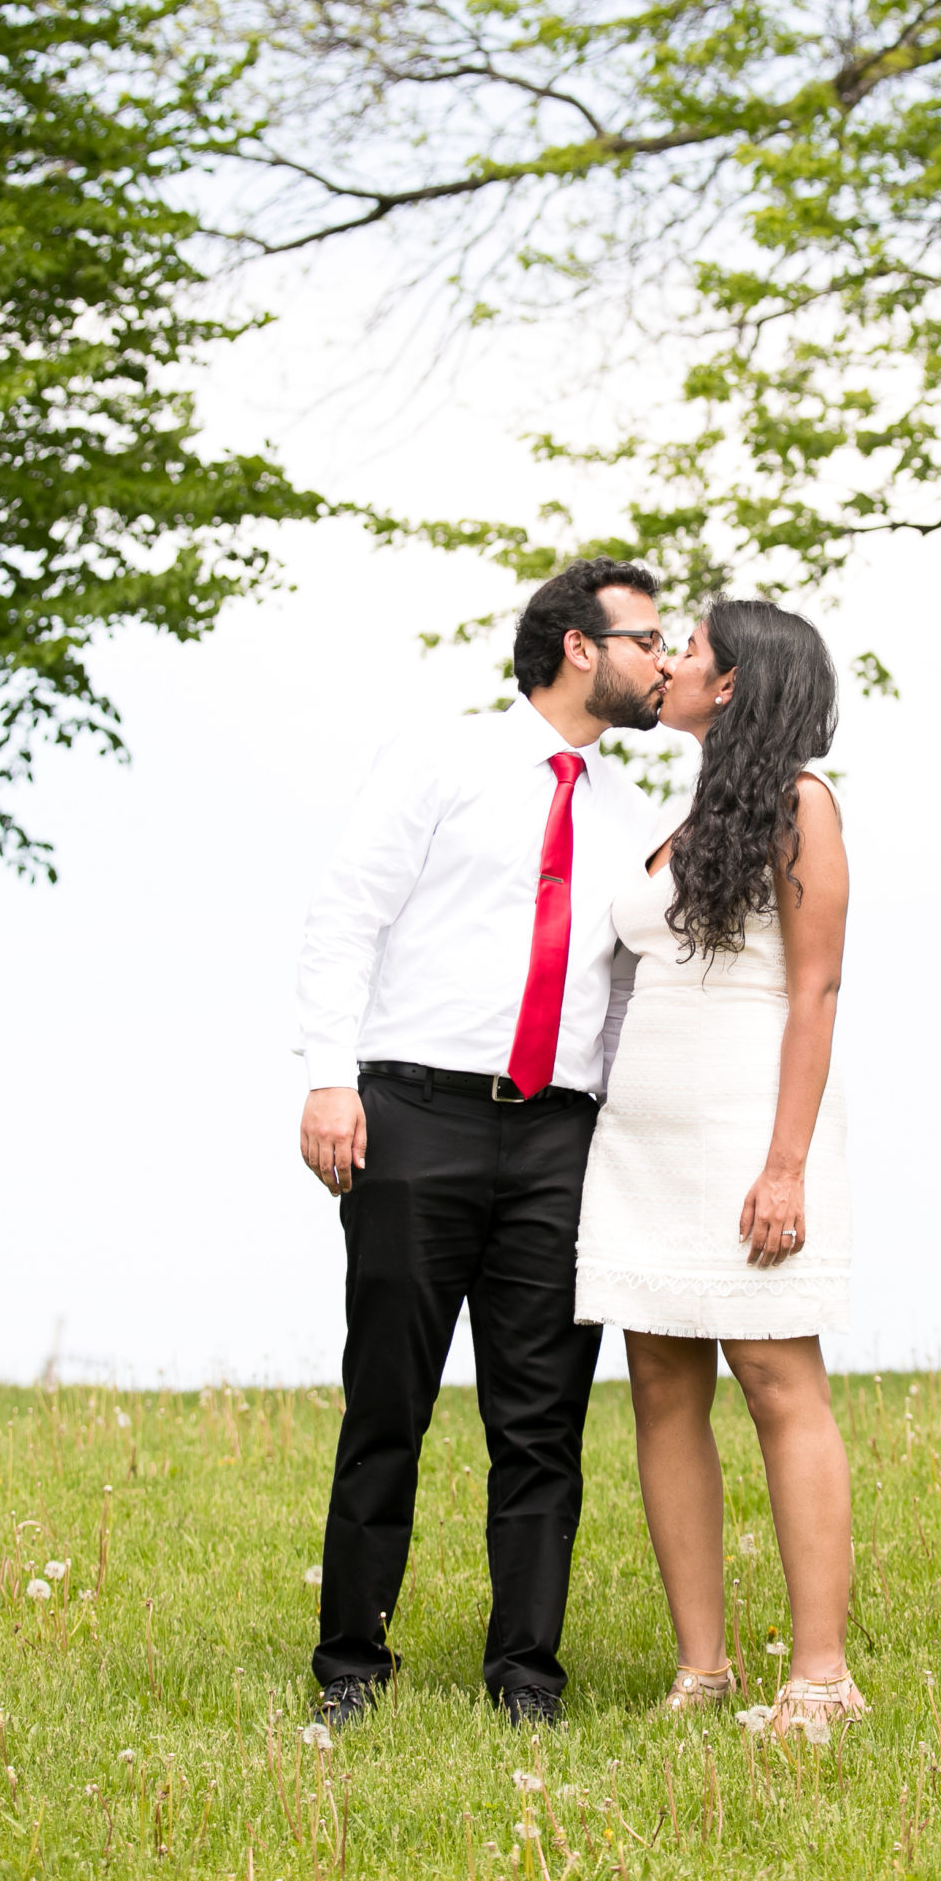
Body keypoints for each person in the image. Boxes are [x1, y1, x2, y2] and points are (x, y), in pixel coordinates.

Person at [296, 557, 667, 1729]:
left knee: (542, 1421)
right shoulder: (439, 761)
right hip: (415, 1116)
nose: (663, 660)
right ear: (575, 646)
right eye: (646, 638)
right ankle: (351, 1666)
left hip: (560, 1140)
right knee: (388, 1401)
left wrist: (608, 1120)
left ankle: (526, 1679)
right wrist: (326, 1078)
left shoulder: (623, 813)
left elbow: (616, 988)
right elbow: (345, 914)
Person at [574, 599, 862, 1733]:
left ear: (733, 681)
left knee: (775, 1377)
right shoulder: (688, 804)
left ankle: (822, 1676)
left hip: (750, 1129)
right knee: (659, 1386)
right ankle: (702, 1670)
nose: (668, 663)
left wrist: (783, 1164)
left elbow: (816, 990)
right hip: (642, 1140)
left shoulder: (804, 803)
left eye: (686, 648)